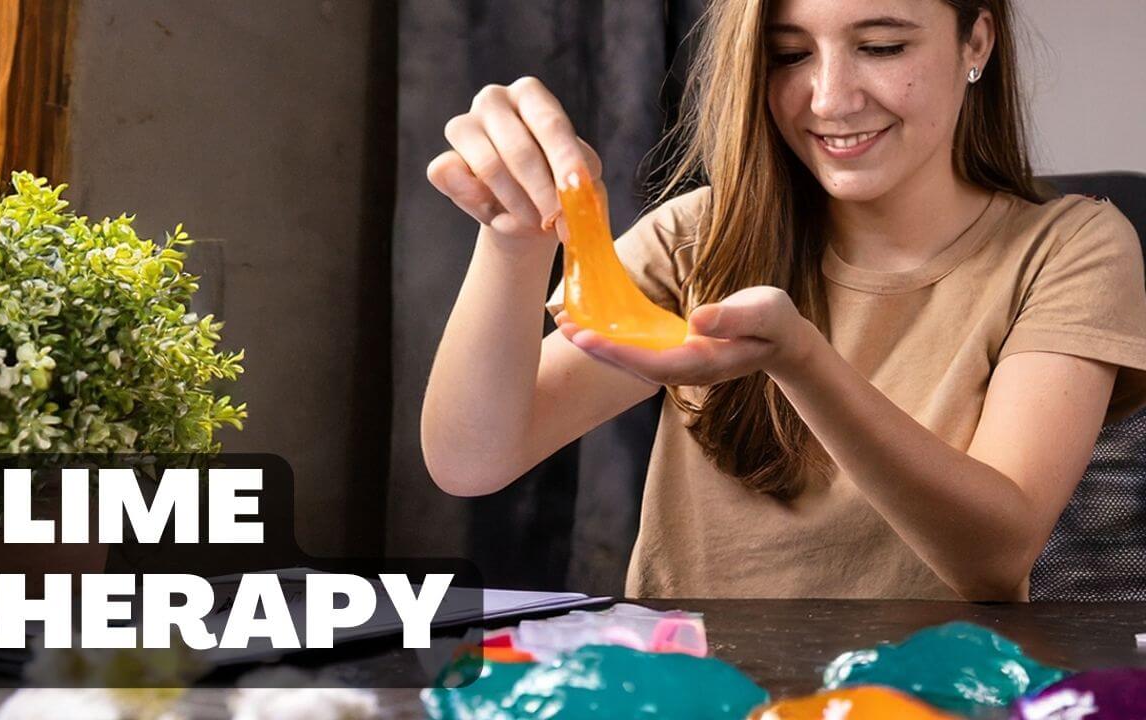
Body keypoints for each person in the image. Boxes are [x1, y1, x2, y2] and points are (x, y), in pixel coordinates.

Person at [419, 0, 1146, 601]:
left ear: (975, 40)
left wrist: (800, 360)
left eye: (883, 47)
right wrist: (516, 240)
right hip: (697, 689)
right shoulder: (700, 238)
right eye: (790, 54)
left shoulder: (1071, 246)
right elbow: (473, 460)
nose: (830, 99)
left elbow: (994, 558)